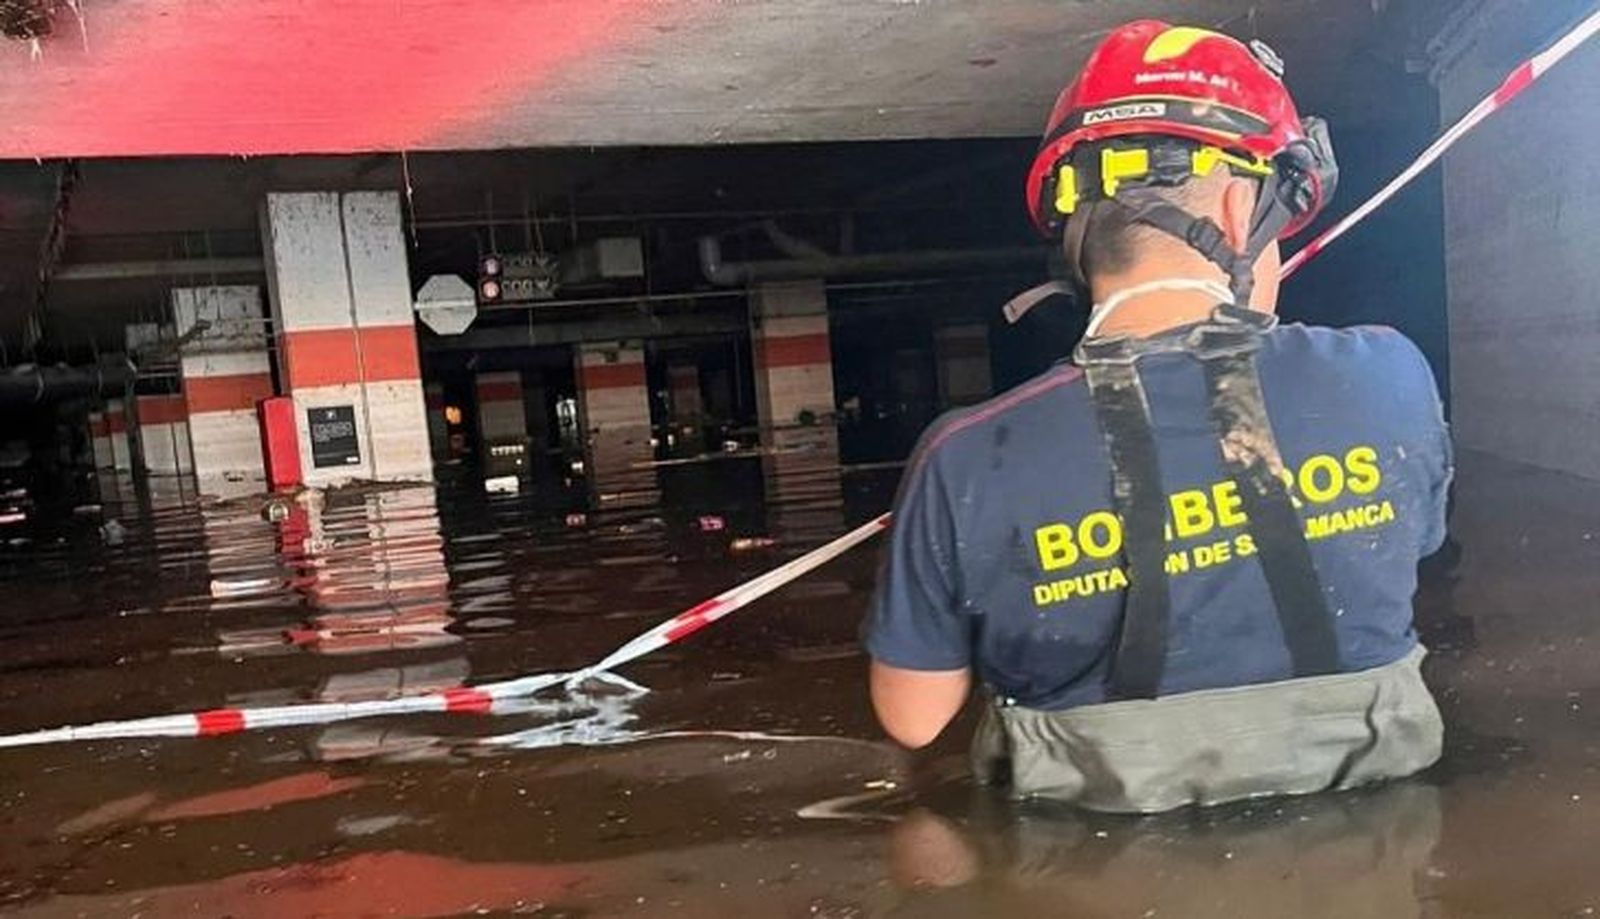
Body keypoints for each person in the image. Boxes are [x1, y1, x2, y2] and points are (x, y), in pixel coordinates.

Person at [863, 19, 1451, 813]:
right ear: (1243, 213)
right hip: (1373, 860)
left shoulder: (963, 456)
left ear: (1076, 237)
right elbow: (1414, 551)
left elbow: (914, 717)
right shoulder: (1388, 376)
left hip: (1083, 874)